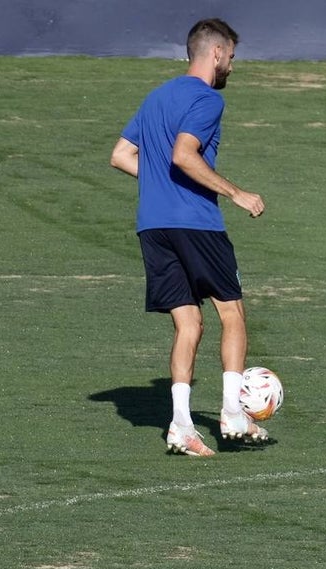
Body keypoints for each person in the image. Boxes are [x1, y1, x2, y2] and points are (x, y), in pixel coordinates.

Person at [110, 18, 269, 457]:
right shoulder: (206, 99)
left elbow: (121, 156)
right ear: (216, 53)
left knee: (188, 323)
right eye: (232, 58)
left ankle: (181, 425)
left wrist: (158, 185)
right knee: (231, 313)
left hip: (153, 226)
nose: (232, 68)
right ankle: (233, 415)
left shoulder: (157, 96)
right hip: (196, 223)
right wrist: (236, 192)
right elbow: (184, 154)